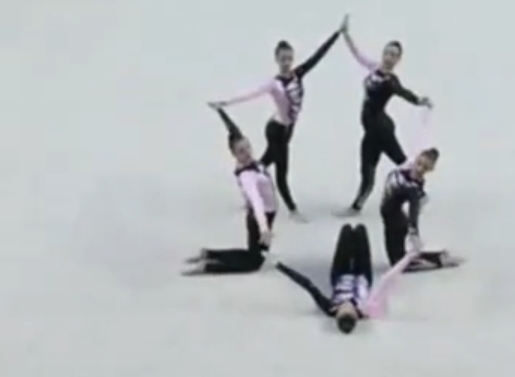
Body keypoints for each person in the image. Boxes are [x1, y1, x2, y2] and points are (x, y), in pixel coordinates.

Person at [211, 21, 343, 219]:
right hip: (276, 130)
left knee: (264, 163)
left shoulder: (298, 74)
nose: (287, 62)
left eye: (289, 58)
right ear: (276, 60)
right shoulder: (274, 84)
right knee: (281, 171)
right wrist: (226, 103)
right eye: (283, 59)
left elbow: (317, 56)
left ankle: (249, 192)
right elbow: (251, 94)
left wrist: (337, 34)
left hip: (287, 128)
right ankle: (293, 210)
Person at [340, 17, 432, 214]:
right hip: (371, 131)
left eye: (394, 55)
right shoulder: (375, 68)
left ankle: (420, 194)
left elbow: (403, 92)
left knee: (402, 162)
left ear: (398, 60)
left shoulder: (391, 80)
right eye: (387, 53)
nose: (389, 57)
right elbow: (358, 56)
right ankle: (356, 207)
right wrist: (346, 35)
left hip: (381, 130)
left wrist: (419, 101)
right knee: (367, 171)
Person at [183, 105, 279, 275]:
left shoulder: (250, 164)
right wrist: (264, 227)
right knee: (254, 262)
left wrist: (222, 114)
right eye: (241, 151)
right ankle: (209, 267)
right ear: (234, 154)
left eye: (248, 147)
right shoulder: (248, 177)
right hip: (261, 216)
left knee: (254, 255)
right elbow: (256, 201)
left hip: (264, 214)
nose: (247, 153)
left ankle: (209, 254)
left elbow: (234, 130)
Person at [274, 223, 419, 333]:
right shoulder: (366, 308)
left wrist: (279, 266)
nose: (346, 305)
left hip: (340, 274)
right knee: (361, 230)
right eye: (350, 309)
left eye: (342, 309)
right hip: (363, 274)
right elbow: (387, 280)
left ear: (337, 315)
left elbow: (307, 284)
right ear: (356, 316)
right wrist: (409, 257)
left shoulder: (329, 307)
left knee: (347, 230)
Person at [379, 146, 461, 272]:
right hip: (392, 211)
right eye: (419, 164)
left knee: (398, 262)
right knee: (399, 259)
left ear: (431, 169)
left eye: (425, 168)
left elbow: (415, 206)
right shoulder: (401, 172)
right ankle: (438, 257)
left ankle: (438, 259)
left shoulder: (417, 183)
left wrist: (412, 227)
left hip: (395, 216)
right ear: (415, 159)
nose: (420, 169)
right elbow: (394, 186)